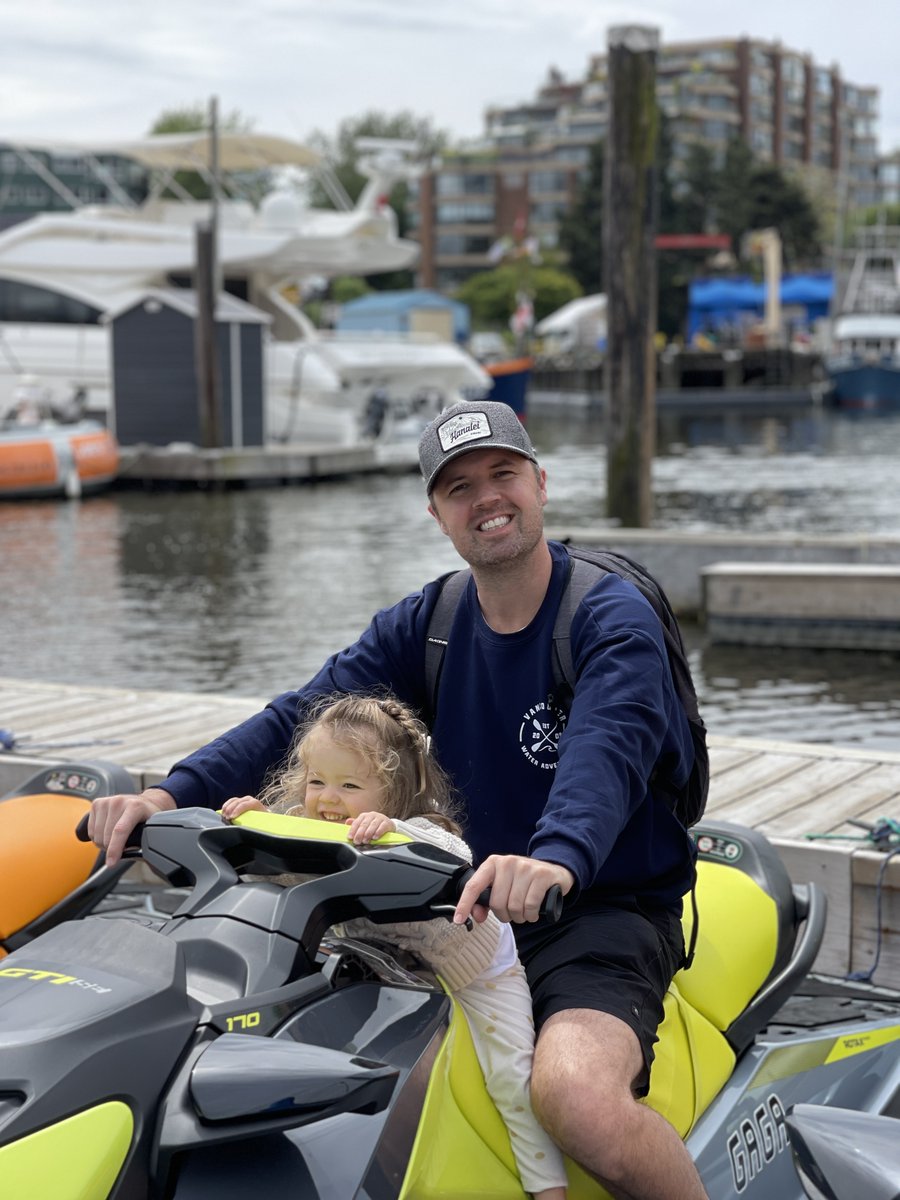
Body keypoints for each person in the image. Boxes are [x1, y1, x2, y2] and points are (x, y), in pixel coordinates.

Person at [88, 398, 708, 1200]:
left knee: (574, 1099)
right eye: (459, 488)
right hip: (458, 911)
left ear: (541, 483)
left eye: (502, 474)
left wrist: (556, 859)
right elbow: (299, 717)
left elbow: (608, 751)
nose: (486, 498)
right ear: (437, 514)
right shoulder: (434, 620)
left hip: (595, 909)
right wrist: (169, 793)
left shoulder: (608, 618)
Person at [221, 692, 568, 1200]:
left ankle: (548, 1188)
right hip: (389, 968)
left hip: (474, 970)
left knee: (512, 1079)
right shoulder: (312, 828)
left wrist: (394, 832)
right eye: (316, 781)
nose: (327, 799)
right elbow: (270, 871)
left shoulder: (420, 831)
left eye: (349, 785)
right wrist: (253, 823)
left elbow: (455, 853)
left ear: (393, 789)